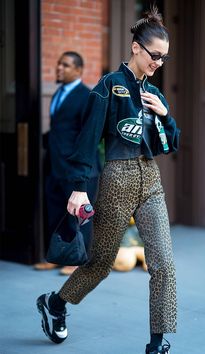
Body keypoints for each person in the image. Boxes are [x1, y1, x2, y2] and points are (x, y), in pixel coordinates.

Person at [36, 6, 180, 354]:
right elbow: (87, 142)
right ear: (135, 47)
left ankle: (157, 344)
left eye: (164, 58)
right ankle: (55, 304)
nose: (158, 63)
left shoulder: (155, 96)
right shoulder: (108, 87)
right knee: (100, 263)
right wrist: (78, 188)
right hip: (116, 177)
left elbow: (168, 144)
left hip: (151, 180)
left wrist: (165, 115)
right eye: (154, 55)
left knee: (164, 264)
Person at [34, 51, 101, 275]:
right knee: (55, 212)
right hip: (54, 166)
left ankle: (78, 262)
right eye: (59, 64)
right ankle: (57, 256)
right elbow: (59, 130)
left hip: (78, 170)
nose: (60, 68)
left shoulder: (86, 96)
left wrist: (81, 170)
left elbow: (88, 136)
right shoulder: (58, 94)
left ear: (79, 70)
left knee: (79, 217)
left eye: (66, 65)